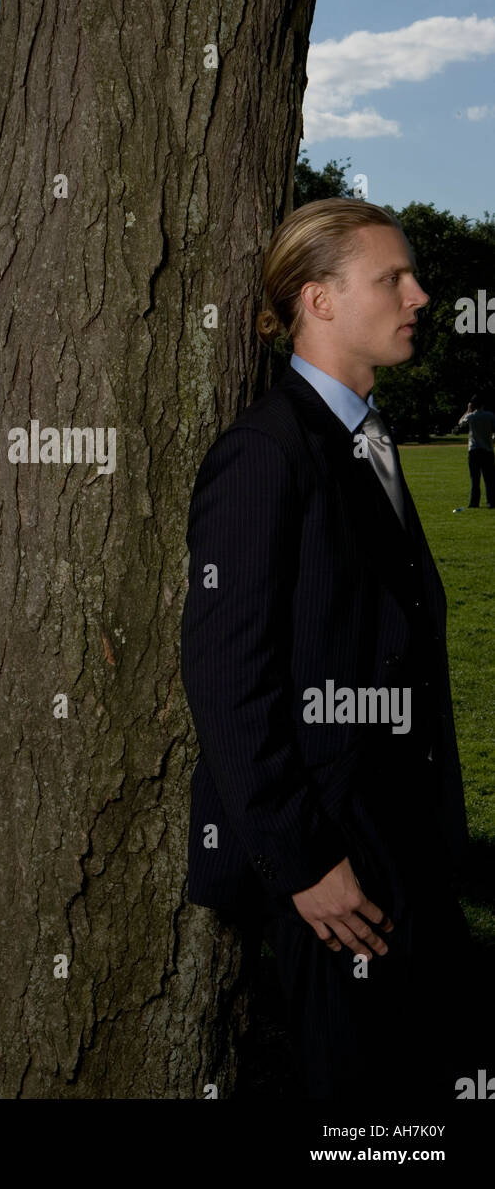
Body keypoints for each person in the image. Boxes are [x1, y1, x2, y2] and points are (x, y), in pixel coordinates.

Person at [181, 198, 474, 1100]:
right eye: (393, 278)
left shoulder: (361, 436)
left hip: (400, 842)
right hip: (332, 862)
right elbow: (228, 679)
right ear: (319, 300)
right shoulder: (266, 452)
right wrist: (306, 864)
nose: (420, 295)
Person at [457, 395, 495, 508]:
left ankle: (474, 502)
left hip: (474, 450)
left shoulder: (471, 416)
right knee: (489, 479)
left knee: (475, 479)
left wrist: (468, 410)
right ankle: (491, 501)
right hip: (487, 450)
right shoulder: (490, 416)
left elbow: (460, 423)